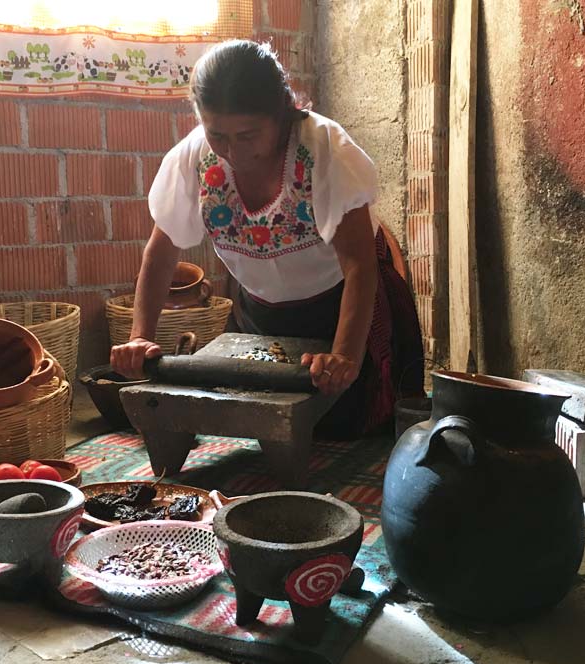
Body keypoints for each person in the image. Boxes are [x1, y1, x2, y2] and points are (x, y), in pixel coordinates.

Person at [111, 39, 423, 439]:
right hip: (262, 313)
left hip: (342, 305)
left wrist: (344, 355)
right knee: (269, 425)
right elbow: (162, 250)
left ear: (281, 115)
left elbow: (360, 266)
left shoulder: (325, 151)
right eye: (217, 134)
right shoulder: (194, 158)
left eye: (248, 134)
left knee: (346, 426)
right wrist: (140, 337)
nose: (232, 151)